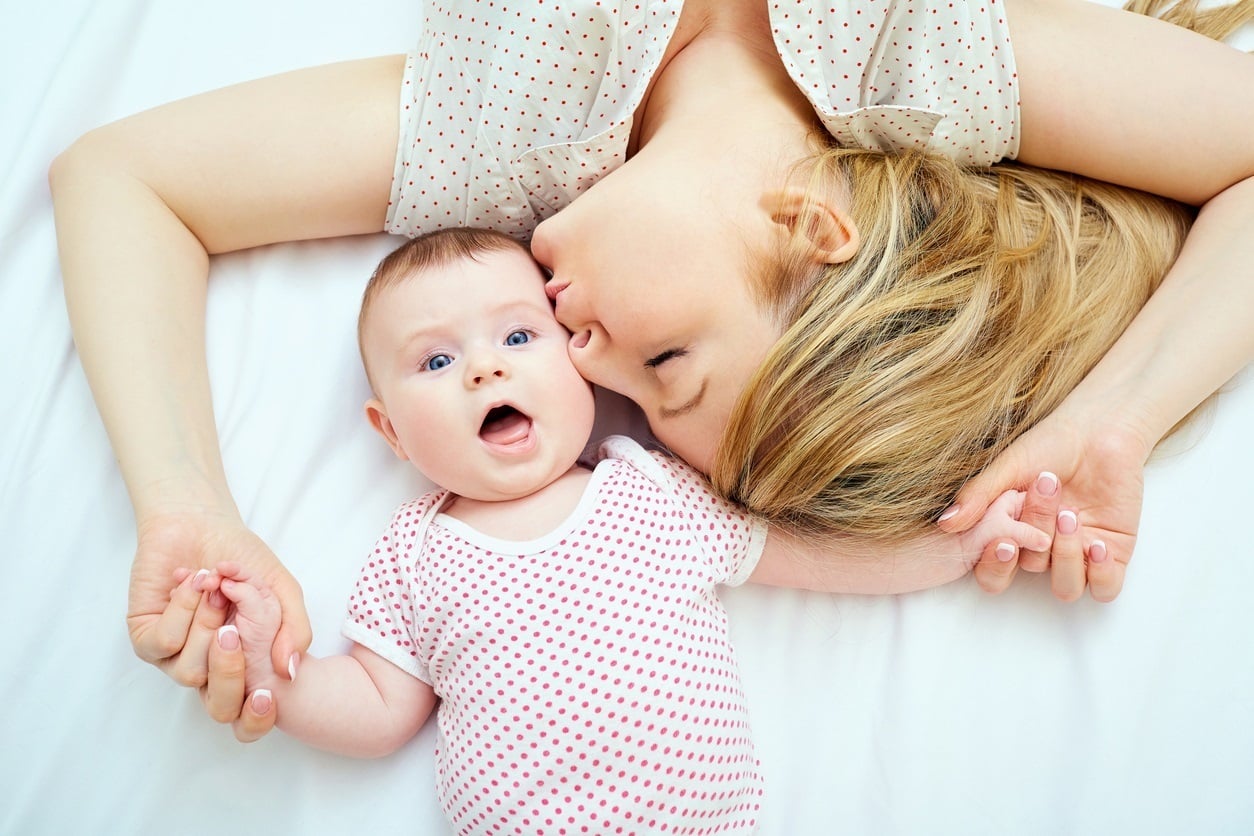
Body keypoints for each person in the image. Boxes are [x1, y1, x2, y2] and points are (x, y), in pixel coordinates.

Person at [48, 0, 1254, 737]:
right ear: (814, 232)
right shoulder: (932, 57)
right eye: (669, 360)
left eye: (631, 396)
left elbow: (122, 180)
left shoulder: (505, 137)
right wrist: (1116, 418)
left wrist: (188, 503)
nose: (584, 355)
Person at [197, 226, 1054, 834]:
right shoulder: (415, 552)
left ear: (580, 359)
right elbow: (380, 711)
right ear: (389, 432)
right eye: (436, 360)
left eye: (519, 335)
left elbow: (814, 559)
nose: (485, 367)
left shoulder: (646, 488)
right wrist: (275, 669)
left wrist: (959, 546)